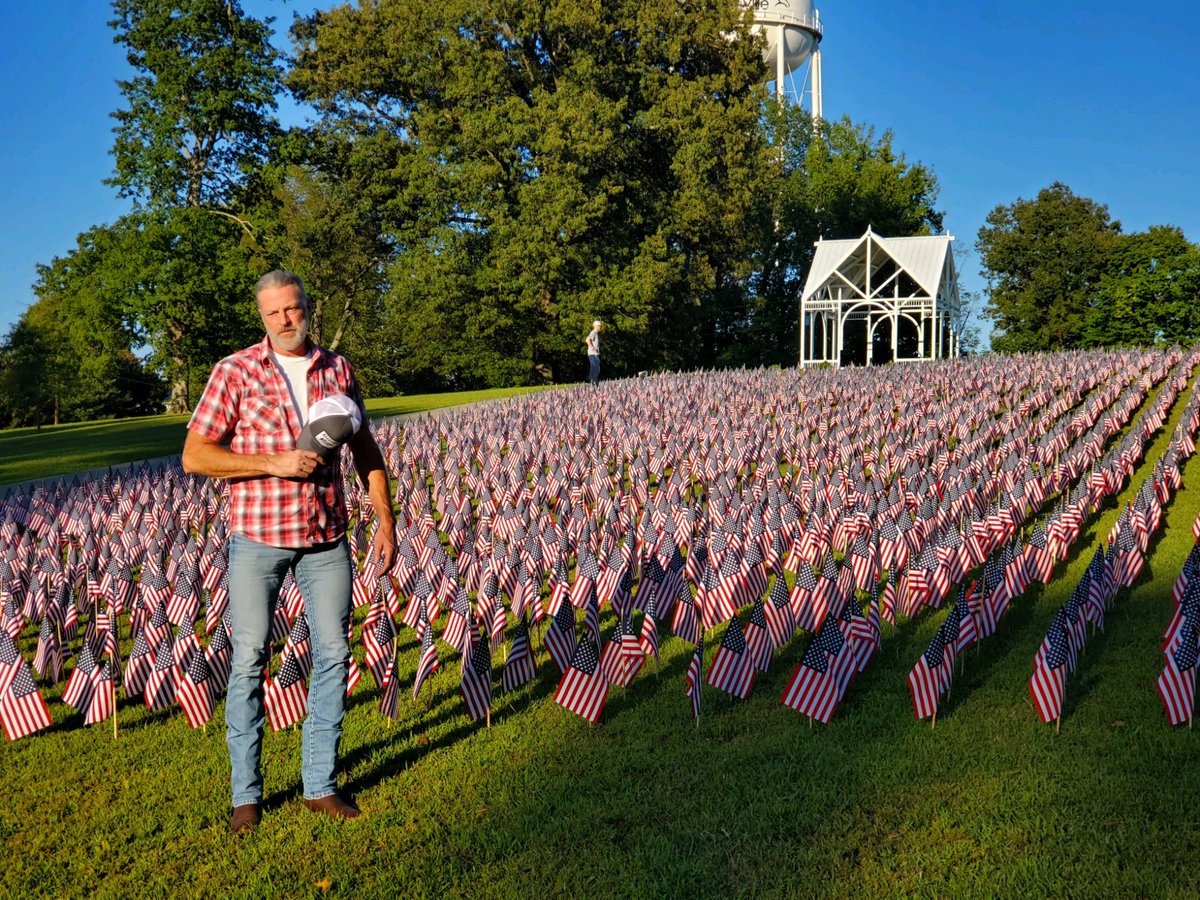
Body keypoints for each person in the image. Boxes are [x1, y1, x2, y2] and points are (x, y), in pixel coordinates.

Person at [182, 270, 396, 835]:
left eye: (293, 308)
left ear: (308, 309)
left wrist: (386, 520)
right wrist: (271, 462)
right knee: (250, 659)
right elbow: (196, 456)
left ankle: (320, 784)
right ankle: (245, 796)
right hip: (258, 538)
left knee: (332, 654)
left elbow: (366, 448)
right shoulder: (234, 371)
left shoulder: (339, 369)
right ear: (262, 316)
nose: (285, 319)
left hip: (327, 540)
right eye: (274, 312)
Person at [585, 319, 603, 385]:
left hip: (593, 354)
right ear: (596, 326)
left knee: (593, 368)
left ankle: (592, 383)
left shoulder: (595, 333)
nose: (600, 327)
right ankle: (595, 383)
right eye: (599, 326)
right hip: (593, 354)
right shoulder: (593, 333)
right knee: (596, 368)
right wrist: (592, 347)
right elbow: (587, 340)